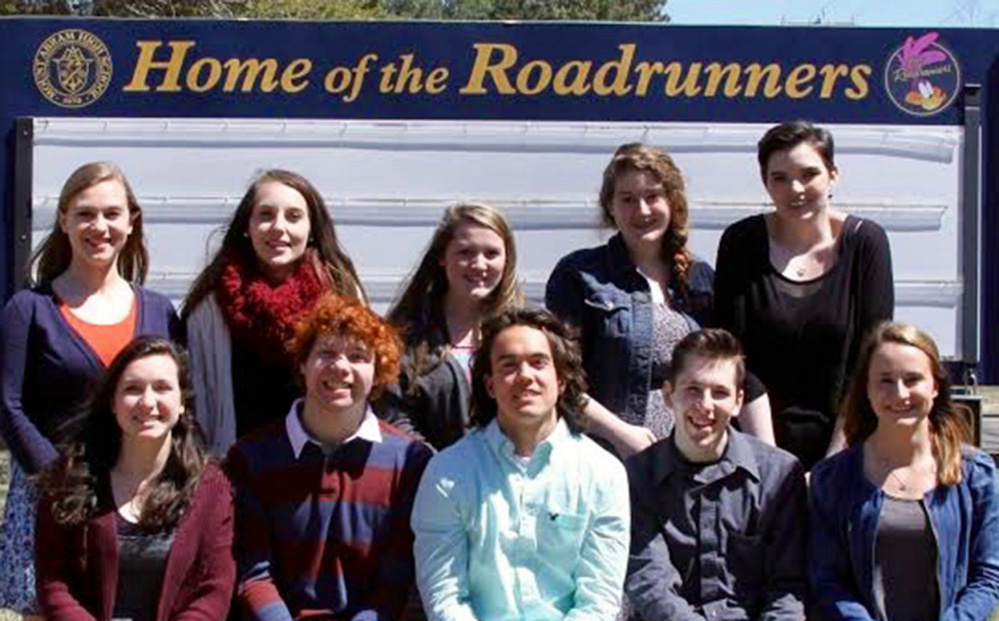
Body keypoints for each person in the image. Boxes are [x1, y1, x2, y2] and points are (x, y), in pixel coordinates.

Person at [0, 162, 181, 617]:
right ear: (63, 220)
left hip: (140, 494)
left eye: (111, 214)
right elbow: (8, 404)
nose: (99, 227)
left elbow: (180, 402)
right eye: (84, 214)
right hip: (51, 495)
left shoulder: (160, 311)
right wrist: (58, 479)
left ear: (131, 221)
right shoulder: (29, 309)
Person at [546, 143, 771, 460]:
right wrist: (620, 434)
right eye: (627, 199)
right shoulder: (580, 275)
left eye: (653, 196)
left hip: (696, 459)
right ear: (610, 206)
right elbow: (559, 379)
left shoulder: (701, 278)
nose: (642, 210)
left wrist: (768, 461)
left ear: (672, 202)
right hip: (609, 458)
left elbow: (738, 370)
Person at [412, 308, 630, 621]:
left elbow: (599, 601)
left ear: (562, 379)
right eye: (509, 365)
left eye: (538, 362)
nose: (525, 376)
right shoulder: (447, 473)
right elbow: (445, 597)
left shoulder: (604, 474)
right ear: (490, 385)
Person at [228, 294, 433, 621]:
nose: (340, 367)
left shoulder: (409, 461)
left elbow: (394, 581)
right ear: (302, 364)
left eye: (357, 356)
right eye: (326, 353)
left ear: (378, 371)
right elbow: (253, 573)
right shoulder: (251, 457)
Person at [714, 120, 894, 469]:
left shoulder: (866, 244)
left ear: (833, 175)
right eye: (779, 178)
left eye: (809, 174)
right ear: (765, 182)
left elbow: (870, 359)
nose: (795, 189)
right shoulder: (740, 242)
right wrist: (770, 465)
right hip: (754, 448)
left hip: (846, 446)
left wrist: (833, 464)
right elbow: (732, 356)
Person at [34, 336, 235, 621]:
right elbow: (54, 585)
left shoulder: (213, 489)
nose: (147, 402)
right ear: (113, 403)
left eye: (162, 388)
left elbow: (214, 591)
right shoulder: (69, 480)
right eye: (132, 389)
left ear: (182, 404)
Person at [809, 322, 999, 621]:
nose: (900, 393)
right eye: (885, 380)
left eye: (912, 379)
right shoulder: (832, 479)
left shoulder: (976, 474)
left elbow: (988, 577)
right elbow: (827, 580)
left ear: (935, 386)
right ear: (867, 390)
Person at [626, 329, 807, 621]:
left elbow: (788, 589)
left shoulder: (779, 476)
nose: (706, 405)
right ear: (669, 395)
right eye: (693, 389)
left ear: (738, 402)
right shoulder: (637, 477)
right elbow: (652, 585)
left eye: (720, 392)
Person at [183, 169, 365, 455]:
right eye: (266, 215)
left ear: (312, 229)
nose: (278, 227)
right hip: (238, 472)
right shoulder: (210, 307)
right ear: (247, 226)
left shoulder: (342, 295)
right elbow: (194, 407)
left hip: (320, 467)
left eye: (293, 217)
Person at [375, 203, 523, 449]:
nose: (479, 264)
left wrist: (612, 430)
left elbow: (559, 395)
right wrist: (447, 469)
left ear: (507, 259)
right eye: (465, 252)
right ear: (442, 257)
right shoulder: (403, 335)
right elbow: (394, 419)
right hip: (429, 478)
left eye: (491, 253)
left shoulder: (526, 330)